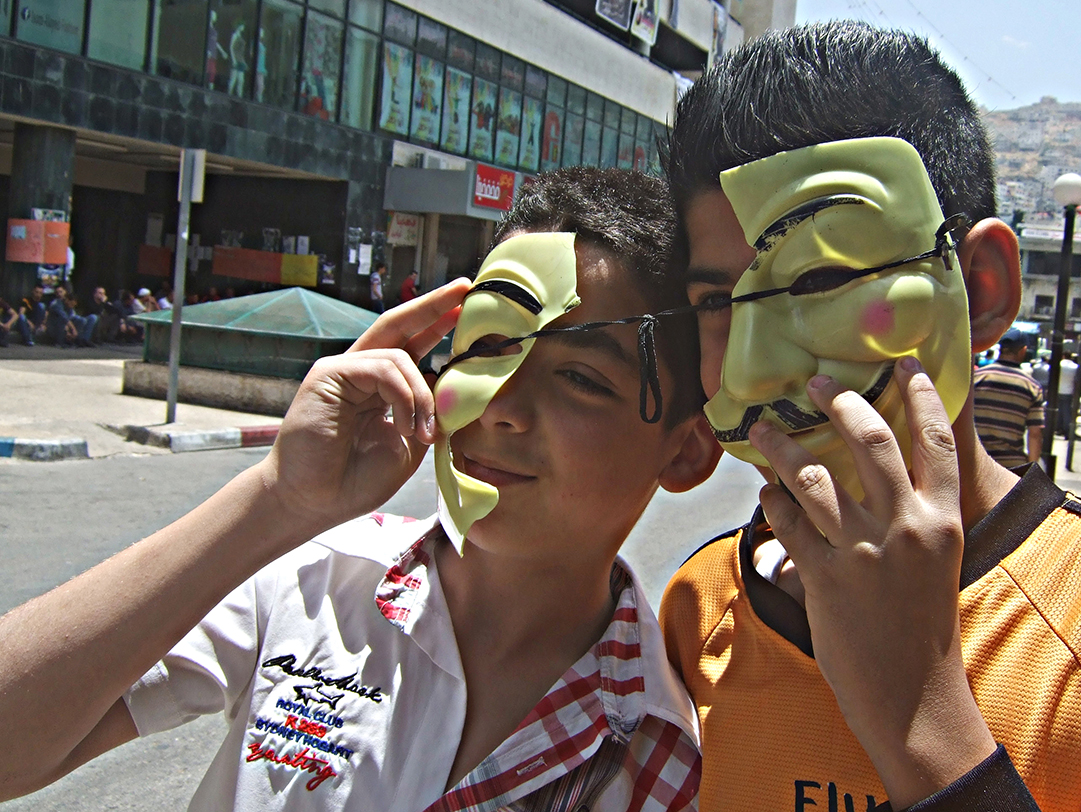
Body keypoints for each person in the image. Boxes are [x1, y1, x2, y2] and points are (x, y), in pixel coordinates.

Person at [0, 167, 719, 811]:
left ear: (686, 448)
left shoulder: (661, 754)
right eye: (484, 347)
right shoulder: (313, 577)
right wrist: (278, 501)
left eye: (581, 379)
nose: (499, 403)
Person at [659, 22, 1081, 811]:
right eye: (714, 304)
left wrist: (920, 714)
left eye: (816, 284)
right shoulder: (699, 607)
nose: (749, 368)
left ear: (980, 290)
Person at [972, 328, 1045, 469]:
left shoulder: (976, 378)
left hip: (975, 461)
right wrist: (1032, 468)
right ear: (1023, 350)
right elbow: (1035, 433)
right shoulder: (1031, 386)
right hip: (1011, 466)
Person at [1054, 352, 1080, 436]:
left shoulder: (1059, 364)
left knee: (1058, 410)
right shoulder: (1075, 367)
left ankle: (1058, 427)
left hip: (1057, 390)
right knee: (1066, 411)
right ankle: (1066, 428)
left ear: (1063, 356)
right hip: (1068, 391)